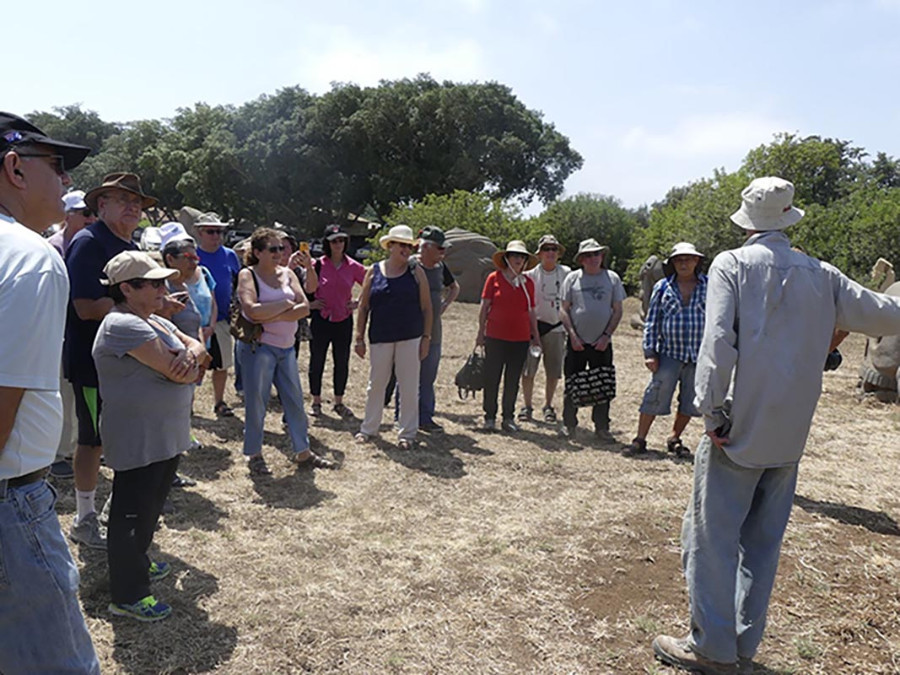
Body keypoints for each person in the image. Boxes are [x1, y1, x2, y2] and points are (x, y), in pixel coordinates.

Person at [652, 177, 900, 675]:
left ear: (746, 222)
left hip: (738, 429)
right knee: (762, 546)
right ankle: (742, 646)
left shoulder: (731, 265)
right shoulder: (824, 275)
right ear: (789, 219)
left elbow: (718, 343)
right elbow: (887, 314)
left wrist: (711, 411)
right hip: (790, 437)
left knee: (710, 539)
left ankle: (712, 648)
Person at [0, 111, 100, 673]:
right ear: (15, 167)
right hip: (8, 505)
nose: (65, 182)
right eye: (56, 166)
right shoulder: (28, 257)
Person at [93, 251, 208, 622]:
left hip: (162, 433)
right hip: (137, 435)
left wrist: (191, 353)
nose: (164, 288)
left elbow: (197, 347)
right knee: (130, 512)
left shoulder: (152, 319)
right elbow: (181, 373)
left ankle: (138, 563)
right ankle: (127, 595)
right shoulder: (123, 325)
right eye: (155, 283)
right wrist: (189, 363)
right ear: (127, 288)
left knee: (149, 506)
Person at [65, 172, 162, 550]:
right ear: (100, 205)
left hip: (129, 362)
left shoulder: (131, 245)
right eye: (122, 199)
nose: (133, 206)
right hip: (94, 364)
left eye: (137, 201)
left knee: (119, 439)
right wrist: (138, 306)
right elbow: (86, 306)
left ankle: (115, 512)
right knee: (92, 441)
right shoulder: (89, 242)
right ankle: (84, 518)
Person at [236, 228, 336, 475]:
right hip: (259, 348)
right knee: (257, 402)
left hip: (286, 347)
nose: (279, 253)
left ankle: (303, 452)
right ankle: (254, 454)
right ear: (257, 252)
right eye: (273, 249)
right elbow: (251, 311)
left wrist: (270, 311)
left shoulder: (288, 273)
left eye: (281, 248)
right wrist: (283, 305)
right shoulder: (248, 275)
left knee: (295, 401)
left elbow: (304, 309)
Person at [354, 225, 432, 449]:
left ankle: (407, 433)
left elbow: (427, 308)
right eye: (401, 245)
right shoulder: (374, 271)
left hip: (410, 336)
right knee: (376, 384)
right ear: (390, 246)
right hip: (380, 336)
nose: (406, 249)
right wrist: (359, 337)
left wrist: (426, 337)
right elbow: (363, 306)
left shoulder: (417, 272)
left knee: (408, 385)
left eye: (409, 245)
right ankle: (369, 428)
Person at [626, 242, 707, 458]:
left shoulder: (709, 285)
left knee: (689, 401)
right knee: (655, 394)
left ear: (696, 261)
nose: (684, 263)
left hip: (698, 356)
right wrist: (649, 353)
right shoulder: (662, 286)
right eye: (679, 260)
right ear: (672, 263)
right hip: (669, 353)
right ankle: (640, 439)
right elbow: (652, 321)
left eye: (688, 259)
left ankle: (674, 437)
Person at [49, 189, 97, 479]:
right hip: (58, 332)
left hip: (76, 333)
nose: (91, 218)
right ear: (68, 215)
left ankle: (79, 448)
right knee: (62, 395)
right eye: (85, 213)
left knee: (78, 394)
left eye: (93, 213)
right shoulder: (55, 247)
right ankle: (58, 454)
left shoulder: (86, 245)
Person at [559, 238, 625, 440]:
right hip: (576, 342)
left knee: (602, 385)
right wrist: (573, 336)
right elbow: (563, 309)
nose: (593, 258)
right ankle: (569, 424)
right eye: (588, 255)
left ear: (602, 256)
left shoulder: (612, 278)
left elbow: (617, 310)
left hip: (602, 343)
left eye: (596, 254)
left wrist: (606, 336)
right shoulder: (572, 278)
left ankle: (602, 427)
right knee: (572, 383)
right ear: (581, 259)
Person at [476, 240, 540, 433]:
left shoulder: (528, 283)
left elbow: (531, 313)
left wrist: (535, 336)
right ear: (506, 258)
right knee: (492, 377)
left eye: (522, 257)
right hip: (495, 337)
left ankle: (508, 417)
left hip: (520, 339)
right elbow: (484, 307)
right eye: (515, 256)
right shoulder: (493, 278)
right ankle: (489, 416)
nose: (518, 260)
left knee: (512, 380)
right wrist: (480, 333)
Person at [308, 224, 366, 418]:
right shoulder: (318, 264)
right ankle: (315, 401)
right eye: (334, 241)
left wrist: (358, 302)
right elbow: (307, 287)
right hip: (321, 319)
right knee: (317, 360)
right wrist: (312, 303)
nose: (338, 244)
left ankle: (338, 401)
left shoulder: (353, 266)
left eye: (341, 240)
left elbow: (371, 285)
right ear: (327, 243)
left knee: (341, 361)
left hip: (343, 319)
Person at [518, 234, 571, 425]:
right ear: (539, 253)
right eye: (546, 249)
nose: (550, 253)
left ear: (558, 254)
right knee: (528, 370)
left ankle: (548, 405)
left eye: (553, 249)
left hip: (557, 328)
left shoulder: (567, 273)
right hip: (535, 329)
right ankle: (527, 405)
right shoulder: (529, 275)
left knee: (554, 370)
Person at [195, 212, 241, 417]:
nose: (216, 236)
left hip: (221, 319)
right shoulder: (192, 255)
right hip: (195, 322)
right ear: (199, 232)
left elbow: (238, 282)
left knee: (221, 365)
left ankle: (220, 402)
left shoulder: (230, 255)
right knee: (194, 364)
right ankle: (188, 406)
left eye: (220, 231)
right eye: (211, 231)